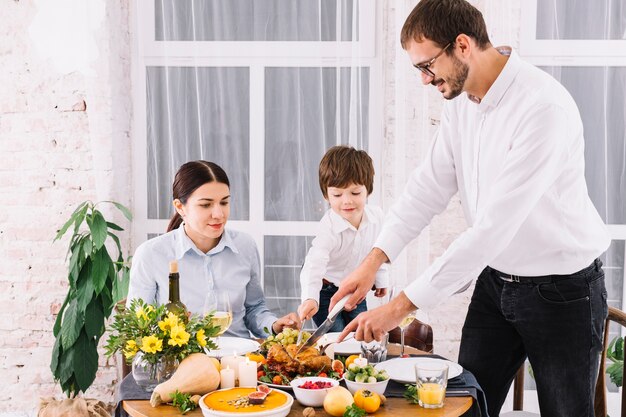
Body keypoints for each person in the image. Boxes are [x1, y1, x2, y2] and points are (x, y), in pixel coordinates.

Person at [330, 1, 611, 416]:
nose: (425, 80)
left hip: (563, 293)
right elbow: (427, 188)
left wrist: (398, 308)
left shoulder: (542, 108)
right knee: (463, 404)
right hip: (497, 282)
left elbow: (491, 230)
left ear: (462, 45)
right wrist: (375, 259)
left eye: (427, 66)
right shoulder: (461, 102)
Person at [127, 160, 300, 338]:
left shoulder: (245, 246)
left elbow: (254, 309)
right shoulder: (151, 255)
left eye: (224, 203)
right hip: (183, 362)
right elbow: (137, 328)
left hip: (238, 359)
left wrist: (273, 325)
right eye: (205, 204)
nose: (219, 214)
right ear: (180, 207)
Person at [297, 146, 388, 331]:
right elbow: (314, 264)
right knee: (335, 335)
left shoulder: (377, 217)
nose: (347, 201)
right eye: (337, 195)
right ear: (326, 195)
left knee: (359, 331)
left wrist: (381, 279)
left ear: (368, 190)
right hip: (326, 292)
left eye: (355, 193)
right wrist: (310, 298)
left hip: (355, 288)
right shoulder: (329, 226)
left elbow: (380, 250)